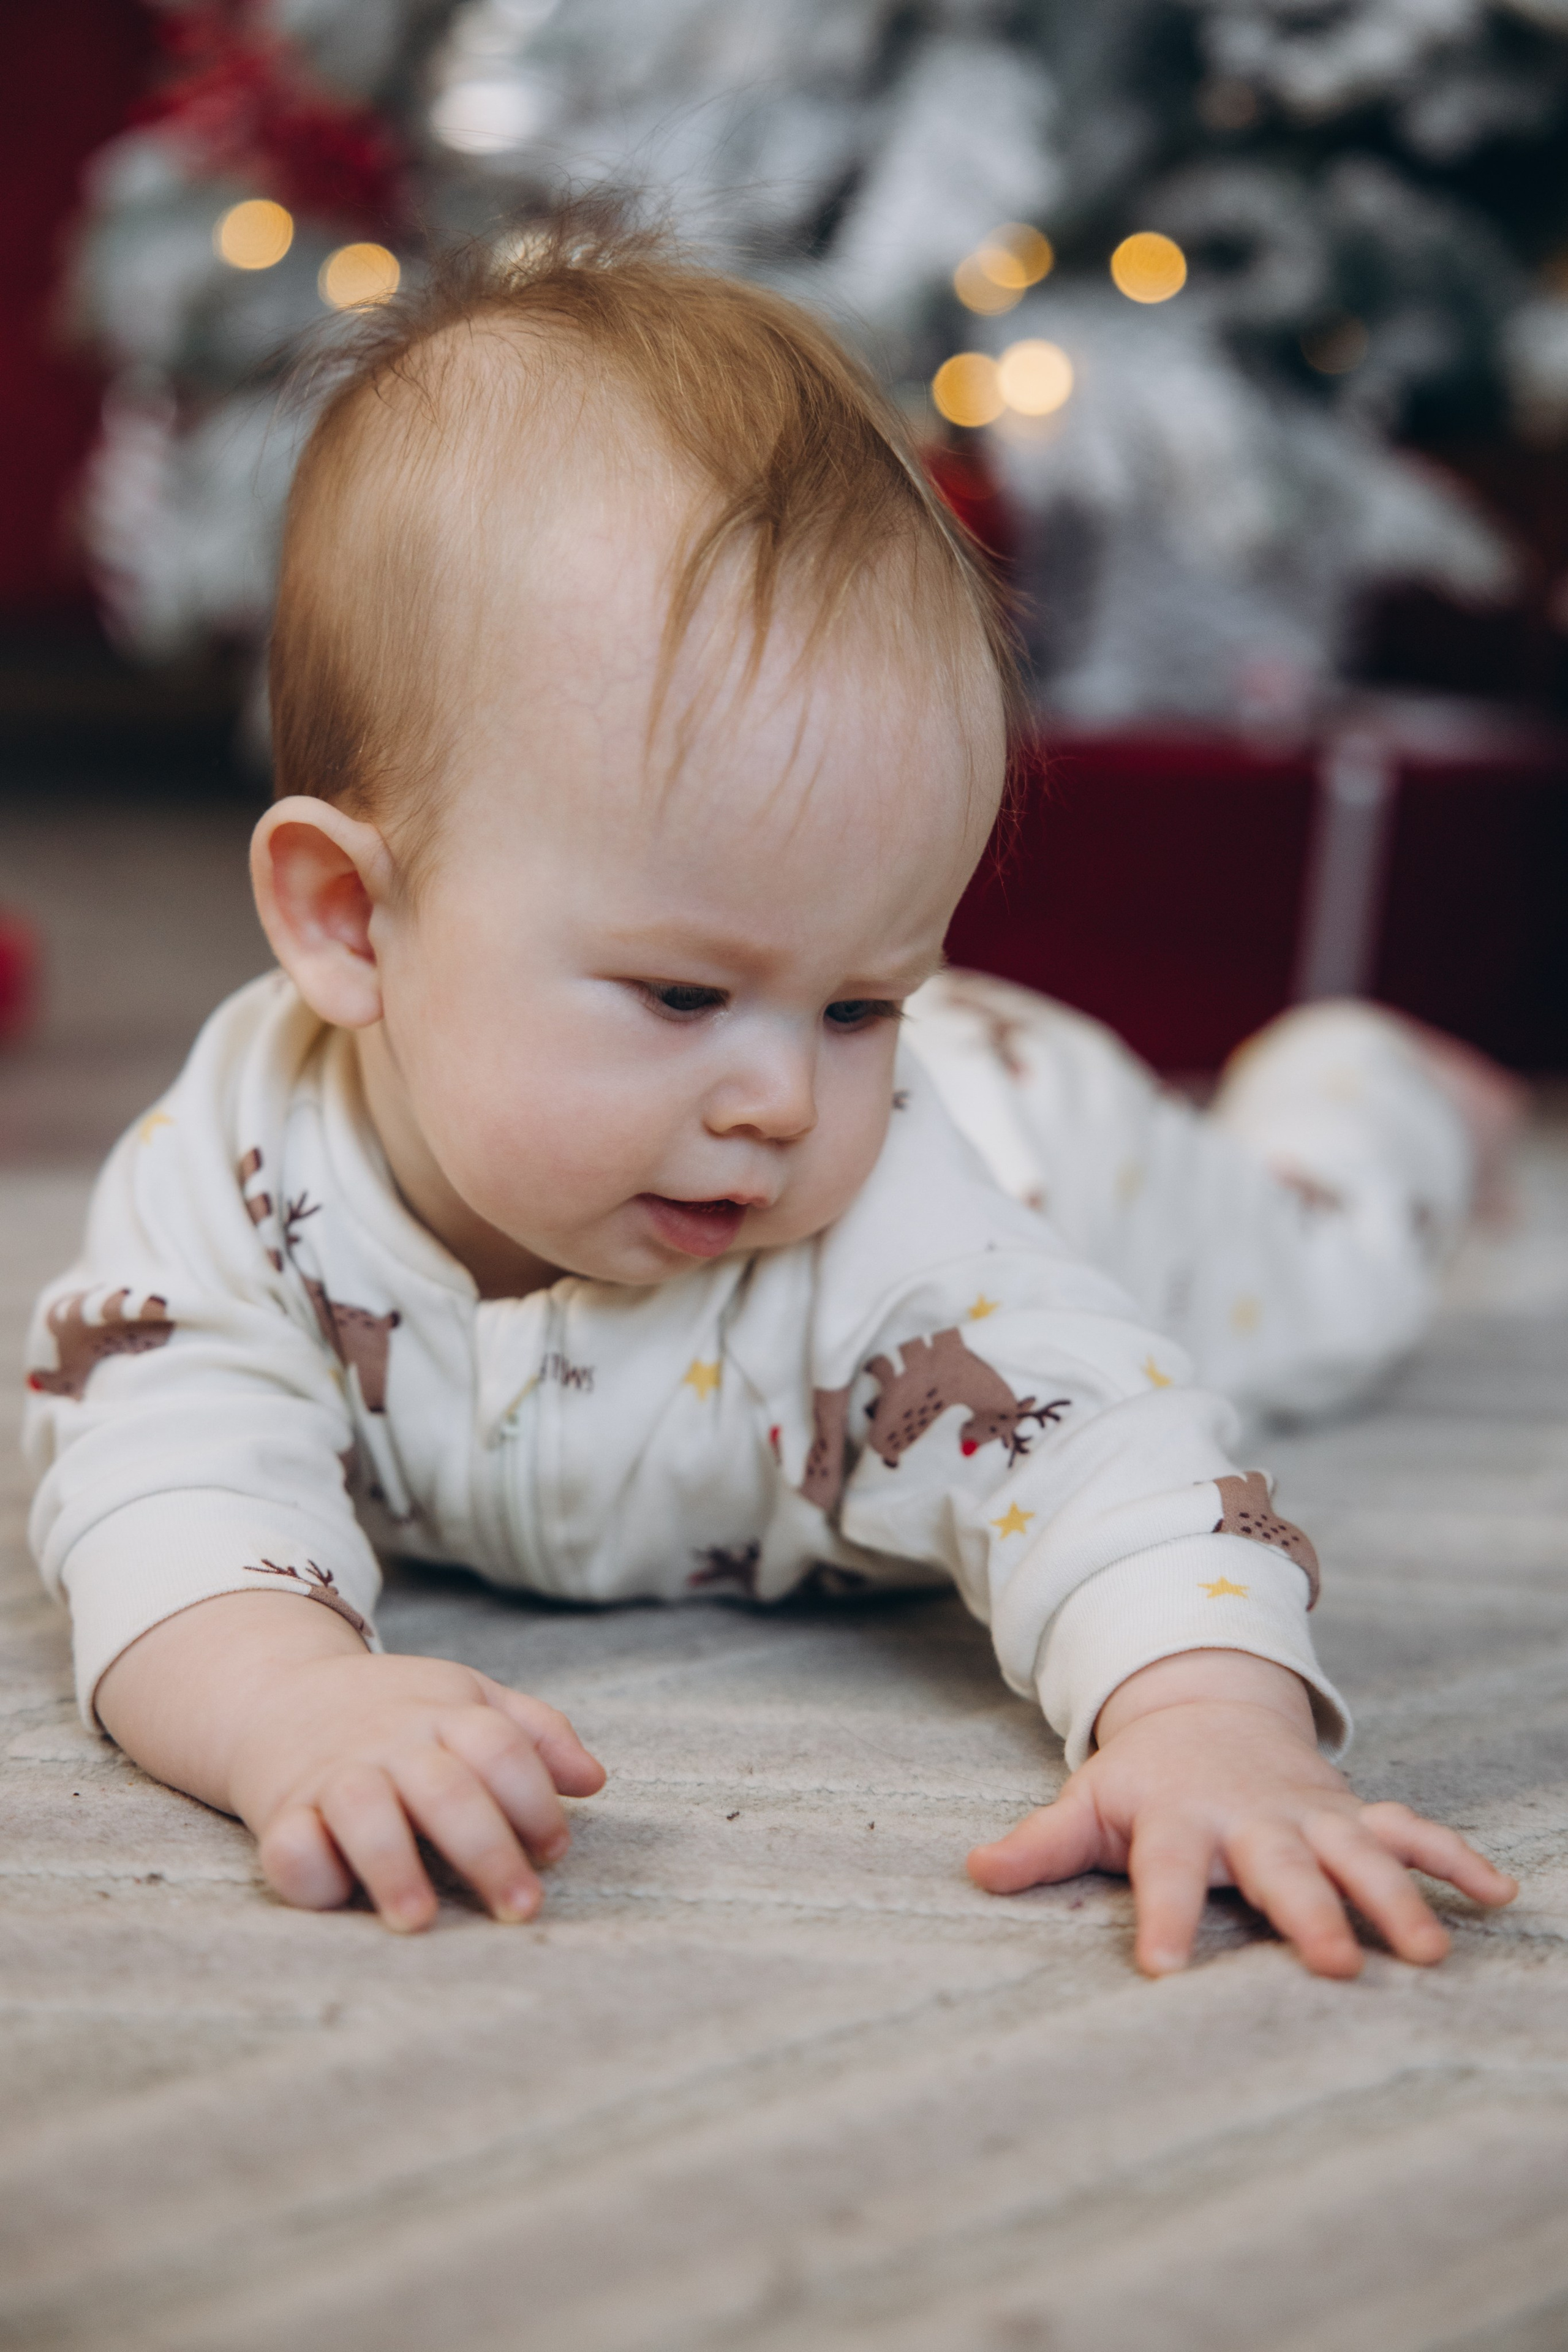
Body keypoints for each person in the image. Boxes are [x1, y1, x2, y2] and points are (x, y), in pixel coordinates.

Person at [24, 208, 1515, 1976]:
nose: (786, 1103)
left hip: (1065, 1150)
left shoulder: (902, 1228)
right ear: (350, 922)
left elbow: (1117, 1461)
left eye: (864, 1003)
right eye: (682, 994)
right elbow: (154, 1473)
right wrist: (290, 1703)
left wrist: (1208, 1726)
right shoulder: (237, 1170)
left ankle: (1369, 1096)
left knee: (1329, 1276)